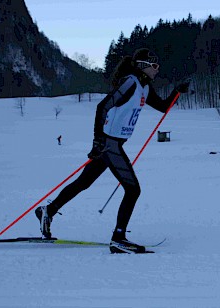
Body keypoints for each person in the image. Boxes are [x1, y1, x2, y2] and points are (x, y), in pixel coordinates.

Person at [35, 48, 189, 253]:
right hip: (109, 144)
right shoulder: (130, 83)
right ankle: (118, 238)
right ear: (143, 66)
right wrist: (98, 141)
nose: (157, 70)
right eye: (154, 66)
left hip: (114, 144)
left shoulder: (144, 87)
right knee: (133, 189)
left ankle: (48, 210)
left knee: (83, 183)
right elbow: (103, 107)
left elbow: (162, 106)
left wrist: (177, 91)